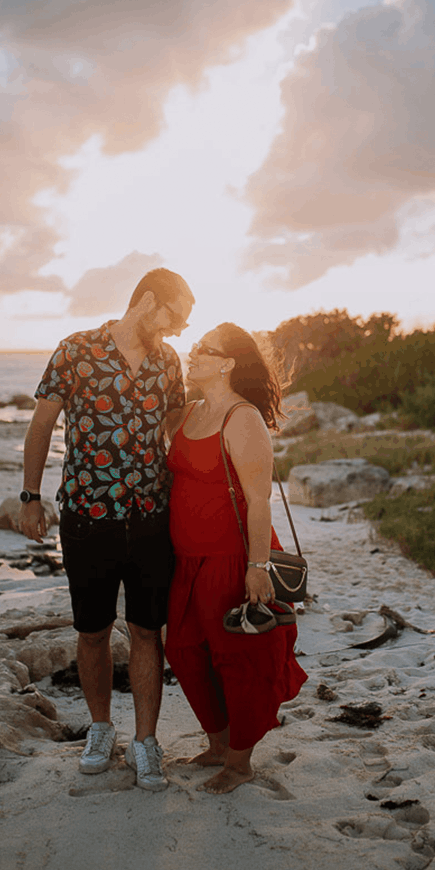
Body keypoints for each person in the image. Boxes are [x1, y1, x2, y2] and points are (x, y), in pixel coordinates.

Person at [19, 268, 193, 791]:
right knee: (92, 631)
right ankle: (100, 730)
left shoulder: (167, 361)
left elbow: (180, 433)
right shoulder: (74, 350)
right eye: (175, 317)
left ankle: (145, 742)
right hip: (86, 517)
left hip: (151, 519)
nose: (178, 331)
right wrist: (30, 498)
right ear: (145, 301)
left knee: (146, 630)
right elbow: (41, 426)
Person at [163, 322, 307, 794]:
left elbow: (259, 501)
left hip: (231, 557)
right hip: (186, 559)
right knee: (183, 652)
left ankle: (240, 762)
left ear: (226, 363)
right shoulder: (187, 413)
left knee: (237, 657)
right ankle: (219, 743)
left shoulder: (241, 419)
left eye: (205, 349)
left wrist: (257, 566)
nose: (193, 353)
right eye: (195, 346)